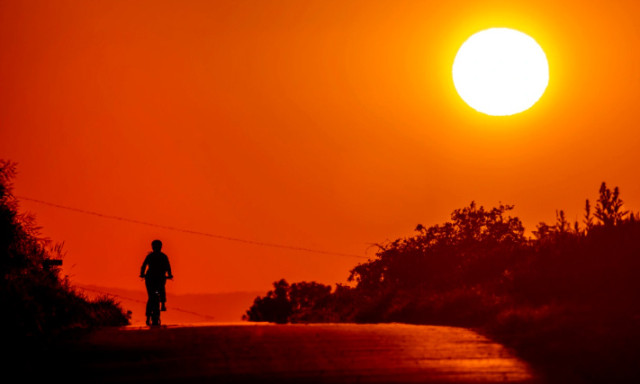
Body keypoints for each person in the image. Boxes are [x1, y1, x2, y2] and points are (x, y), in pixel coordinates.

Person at [140, 240, 173, 320]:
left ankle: (148, 315)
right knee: (160, 290)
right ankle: (163, 304)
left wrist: (142, 274)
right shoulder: (163, 256)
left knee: (151, 295)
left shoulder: (150, 256)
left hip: (150, 278)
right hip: (159, 278)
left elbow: (143, 266)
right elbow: (168, 267)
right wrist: (169, 275)